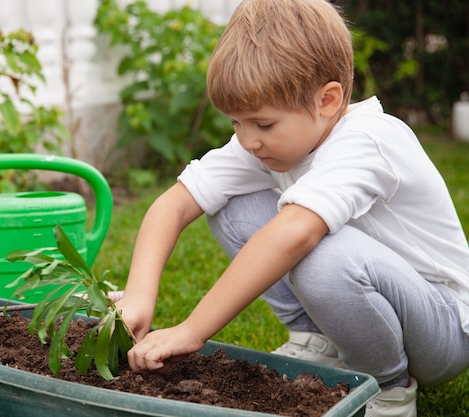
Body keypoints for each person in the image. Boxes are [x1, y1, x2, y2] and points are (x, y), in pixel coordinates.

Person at [114, 0, 469, 416]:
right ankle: (315, 340)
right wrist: (139, 296)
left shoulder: (368, 140)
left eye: (263, 124)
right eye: (236, 123)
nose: (248, 140)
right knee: (233, 205)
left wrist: (193, 330)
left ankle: (388, 389)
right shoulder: (270, 141)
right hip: (374, 304)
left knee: (319, 256)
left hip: (442, 330)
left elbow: (295, 233)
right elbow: (174, 204)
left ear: (328, 100)